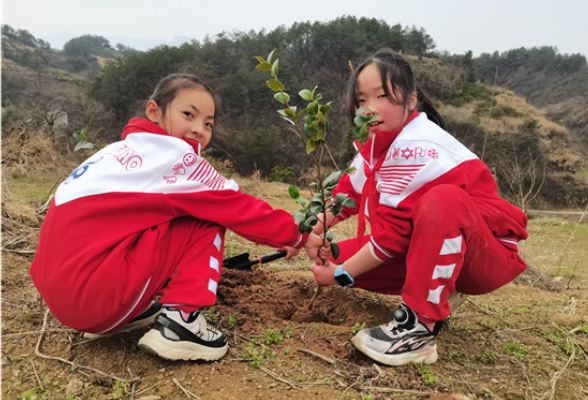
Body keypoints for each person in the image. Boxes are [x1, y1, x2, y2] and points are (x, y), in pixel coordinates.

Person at [30, 73, 323, 362]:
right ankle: (182, 322)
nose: (199, 129)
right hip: (95, 297)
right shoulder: (175, 158)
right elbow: (237, 205)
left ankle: (128, 312)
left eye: (208, 123)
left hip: (65, 300)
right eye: (188, 114)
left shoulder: (117, 151)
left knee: (178, 214)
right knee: (207, 215)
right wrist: (298, 235)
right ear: (154, 111)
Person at [309, 49, 528, 366]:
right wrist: (309, 232)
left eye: (382, 96)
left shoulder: (415, 147)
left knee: (443, 201)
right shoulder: (375, 146)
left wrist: (340, 275)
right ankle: (434, 289)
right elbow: (345, 197)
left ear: (411, 101)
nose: (368, 110)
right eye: (361, 101)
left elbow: (390, 241)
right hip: (439, 244)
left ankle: (419, 329)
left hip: (485, 253)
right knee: (339, 255)